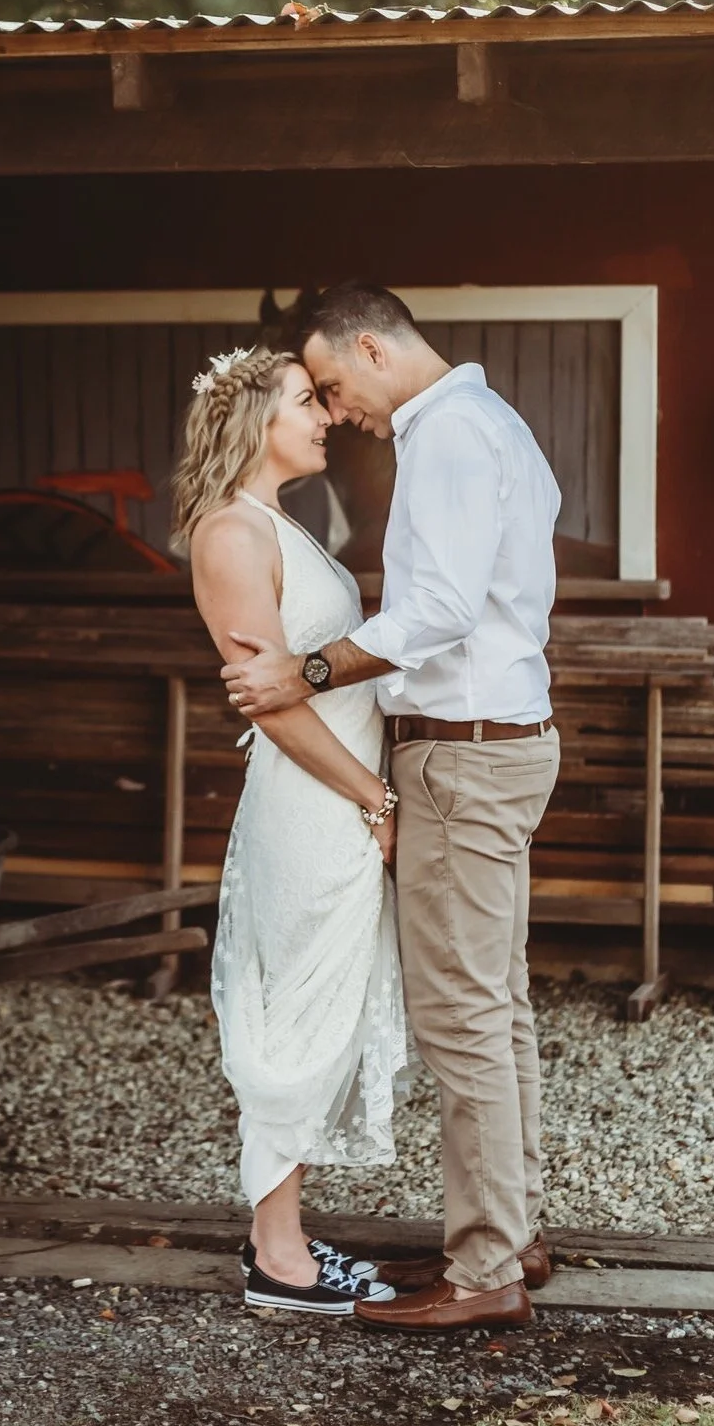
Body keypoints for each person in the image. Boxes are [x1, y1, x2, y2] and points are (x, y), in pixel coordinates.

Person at [221, 286, 562, 1333]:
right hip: (489, 750)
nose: (337, 409)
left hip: (462, 758)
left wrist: (304, 669)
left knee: (462, 1016)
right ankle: (512, 1231)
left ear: (371, 346)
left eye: (332, 383)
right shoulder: (484, 422)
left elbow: (440, 611)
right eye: (313, 397)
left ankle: (482, 1271)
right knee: (492, 1005)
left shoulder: (452, 434)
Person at [172, 345, 409, 1316]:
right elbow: (269, 702)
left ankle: (285, 1241)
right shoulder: (230, 533)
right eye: (306, 402)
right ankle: (277, 1259)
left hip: (338, 798)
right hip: (310, 805)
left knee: (323, 1010)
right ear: (252, 420)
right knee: (292, 1018)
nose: (324, 416)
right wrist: (372, 796)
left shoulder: (276, 523)